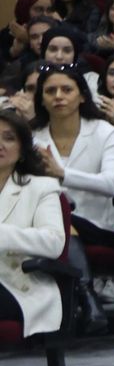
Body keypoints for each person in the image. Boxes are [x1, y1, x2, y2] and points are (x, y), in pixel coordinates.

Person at [31, 64, 114, 323]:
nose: (58, 96)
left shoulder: (105, 132)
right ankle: (86, 296)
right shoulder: (32, 137)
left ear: (82, 95)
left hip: (100, 223)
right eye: (50, 91)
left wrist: (62, 174)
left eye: (66, 89)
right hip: (48, 221)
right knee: (56, 217)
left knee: (60, 219)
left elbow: (113, 184)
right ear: (41, 99)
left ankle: (82, 296)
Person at [0, 107, 66, 339]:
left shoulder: (41, 187)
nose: (0, 145)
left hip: (19, 285)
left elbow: (54, 242)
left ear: (22, 150)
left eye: (9, 138)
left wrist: (3, 235)